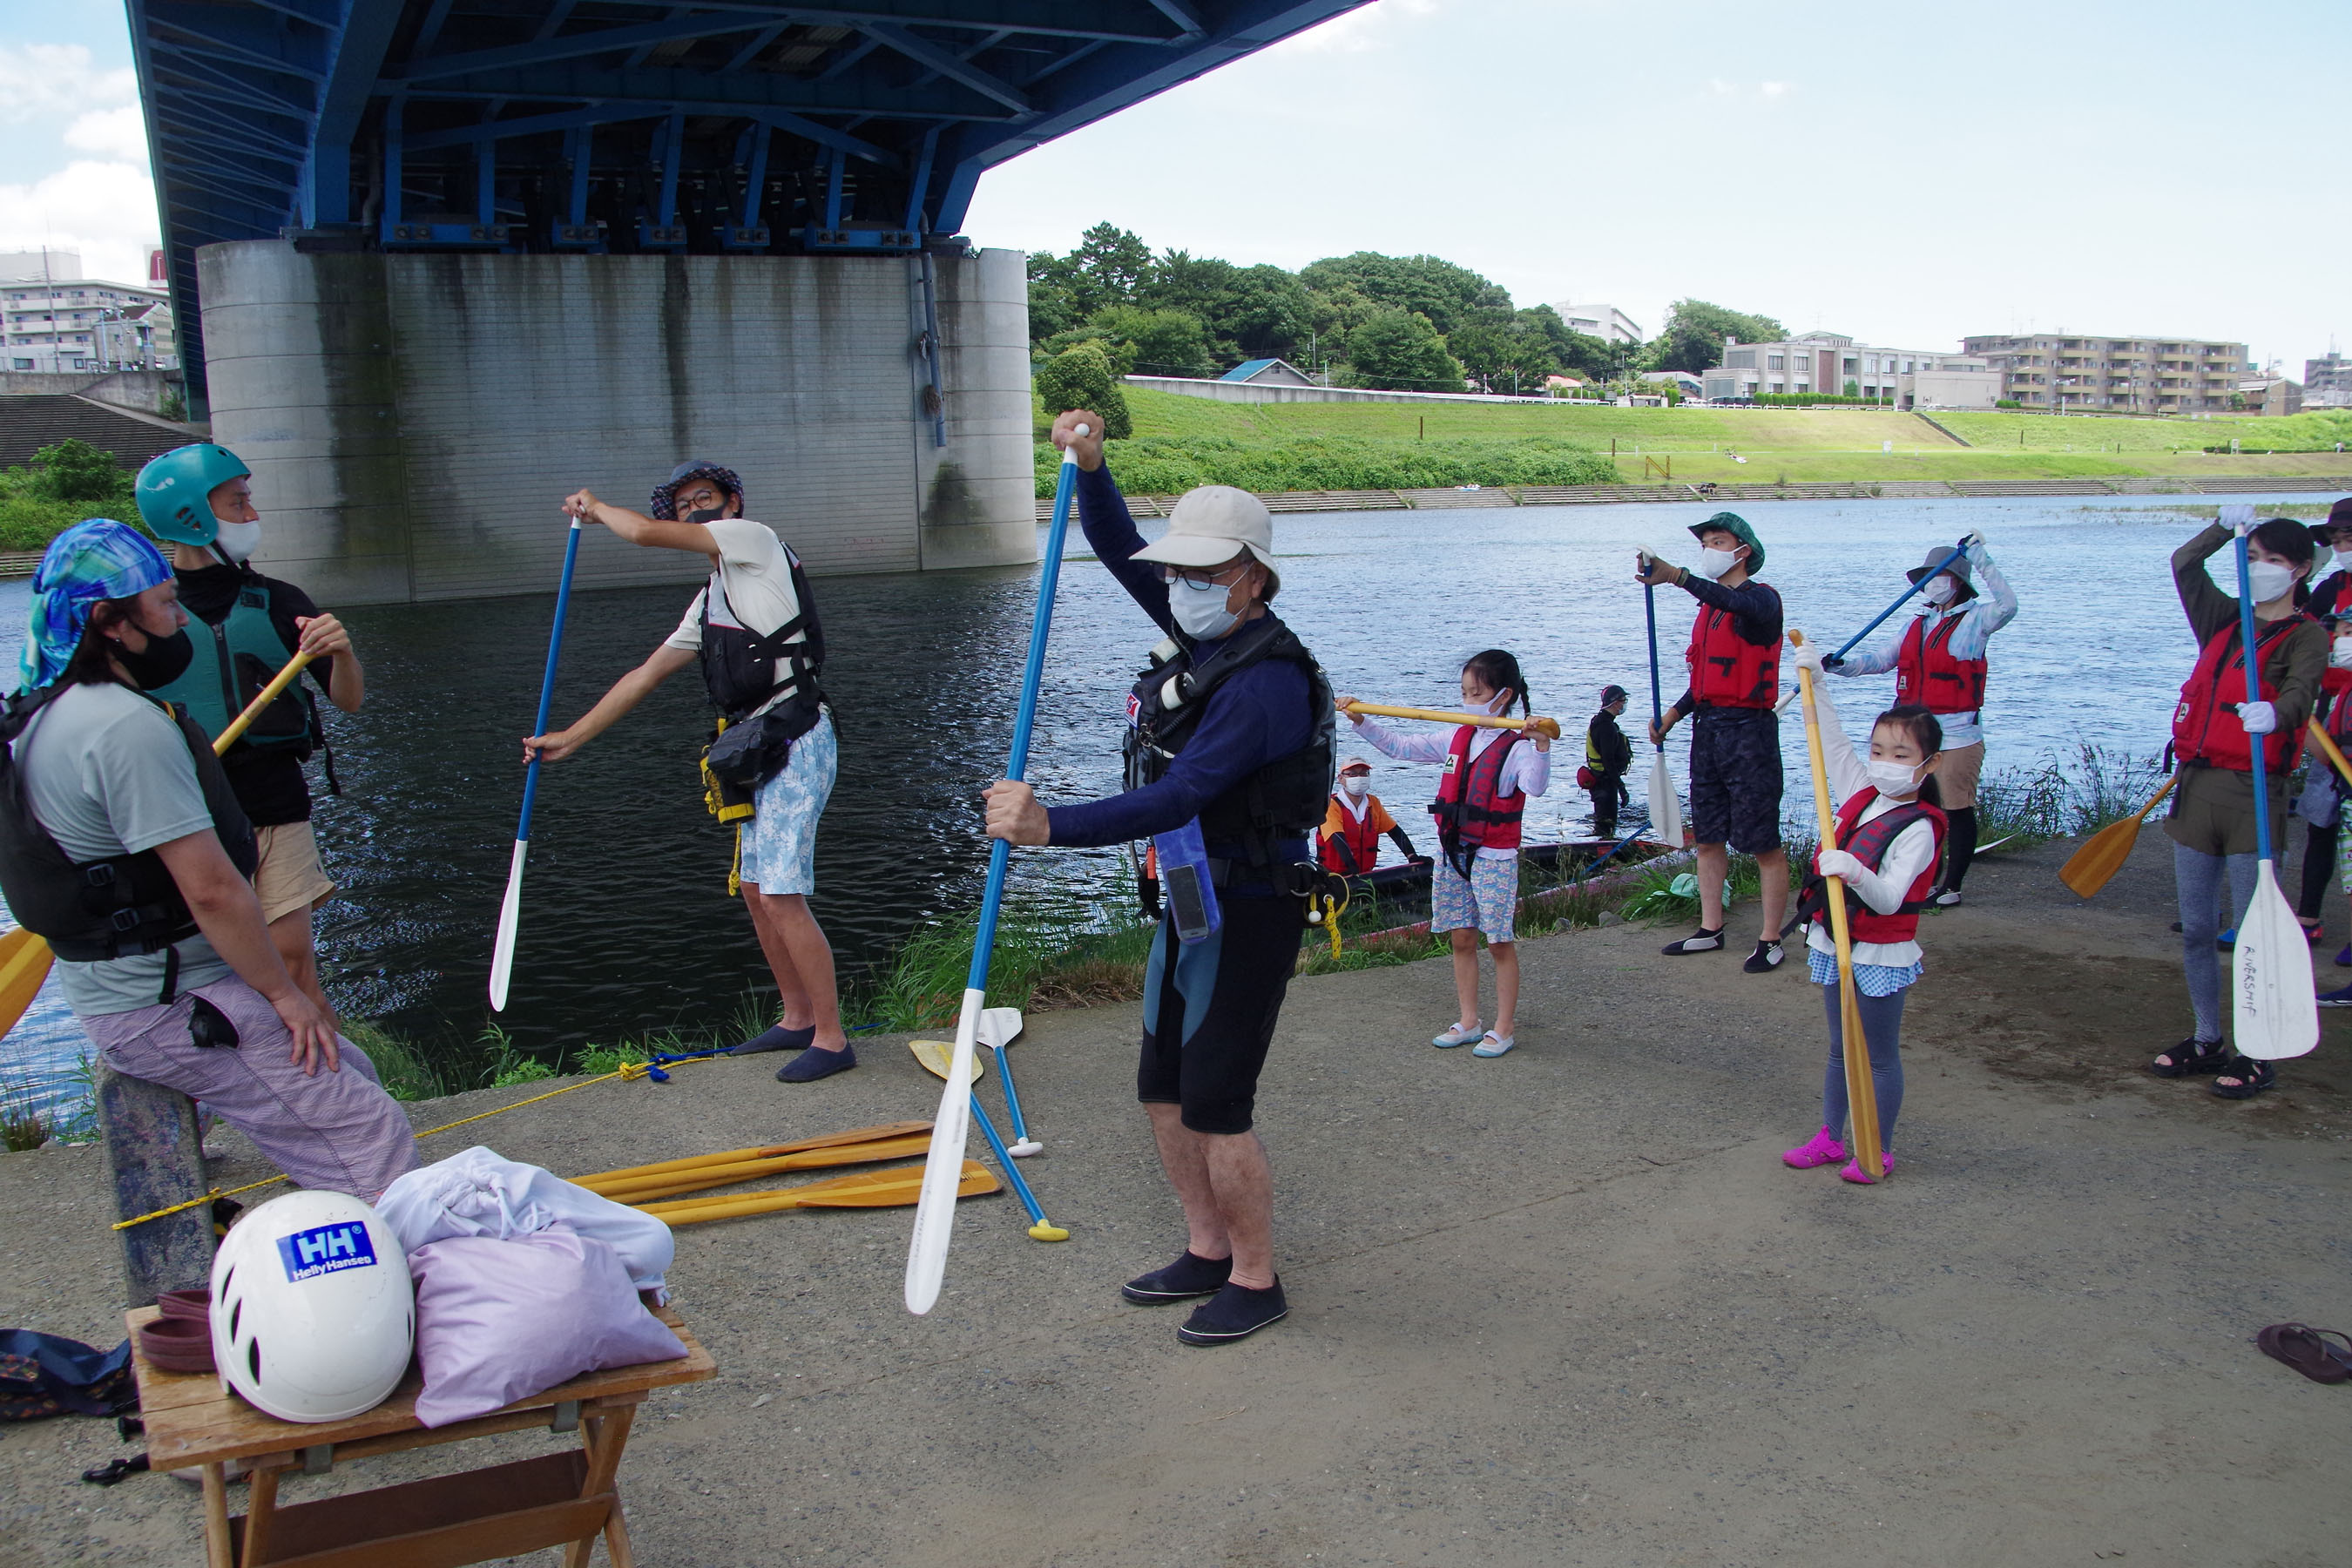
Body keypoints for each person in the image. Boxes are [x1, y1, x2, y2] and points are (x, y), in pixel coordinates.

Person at [984, 409, 1333, 1347]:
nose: (1180, 586)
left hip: (1254, 905)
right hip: (1190, 902)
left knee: (1219, 1104)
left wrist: (1051, 826)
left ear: (1253, 578)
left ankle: (1256, 1281)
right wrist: (1092, 465)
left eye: (1206, 572)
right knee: (1161, 1088)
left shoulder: (1266, 684)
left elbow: (1181, 794)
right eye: (1178, 570)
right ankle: (1206, 1250)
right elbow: (1112, 542)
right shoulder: (1205, 635)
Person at [0, 520, 416, 1199]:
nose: (179, 621)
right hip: (165, 1003)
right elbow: (213, 890)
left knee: (353, 1071)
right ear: (111, 622)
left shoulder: (44, 711)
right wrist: (283, 994)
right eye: (165, 606)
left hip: (143, 990)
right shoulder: (122, 727)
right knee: (364, 1132)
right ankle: (402, 1282)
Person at [524, 461, 851, 1083]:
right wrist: (571, 737)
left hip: (800, 735)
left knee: (782, 893)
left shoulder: (753, 539)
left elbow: (644, 535)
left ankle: (833, 1040)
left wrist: (595, 507)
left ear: (732, 504)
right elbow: (644, 676)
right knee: (756, 892)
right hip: (758, 744)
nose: (695, 511)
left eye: (706, 499)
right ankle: (797, 1018)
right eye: (683, 506)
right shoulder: (709, 602)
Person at [132, 444, 364, 1023]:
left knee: (291, 960)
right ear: (190, 515)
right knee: (216, 972)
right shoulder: (148, 614)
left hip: (275, 802)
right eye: (238, 503)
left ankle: (337, 1093)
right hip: (187, 813)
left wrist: (342, 653)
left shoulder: (281, 601)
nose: (252, 514)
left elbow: (349, 699)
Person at [2150, 515, 2326, 1098]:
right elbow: (2183, 565)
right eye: (2252, 555)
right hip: (2198, 791)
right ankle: (2207, 1039)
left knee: (2256, 932)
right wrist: (2220, 530)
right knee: (2199, 928)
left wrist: (2278, 713)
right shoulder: (2227, 620)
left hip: (2255, 795)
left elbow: (2304, 689)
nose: (2259, 568)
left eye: (2271, 559)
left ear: (2299, 569)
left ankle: (2258, 1052)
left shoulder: (2308, 634)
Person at [1781, 643, 1946, 1185]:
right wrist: (1817, 685)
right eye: (1879, 750)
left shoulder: (1919, 826)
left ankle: (1879, 1147)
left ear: (1928, 764)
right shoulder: (1861, 791)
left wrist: (1851, 870)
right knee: (1837, 1047)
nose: (1885, 762)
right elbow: (1830, 743)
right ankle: (1831, 1136)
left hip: (1880, 951)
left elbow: (1890, 898)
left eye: (1900, 755)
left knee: (1877, 1055)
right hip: (1836, 940)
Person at [1343, 650, 1551, 1058]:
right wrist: (1361, 721)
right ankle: (1469, 1020)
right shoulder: (1457, 735)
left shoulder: (1517, 746)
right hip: (1452, 851)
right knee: (1461, 937)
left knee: (1499, 942)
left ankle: (1504, 1027)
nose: (1468, 700)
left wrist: (1541, 746)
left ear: (1503, 695)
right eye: (1465, 692)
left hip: (1493, 856)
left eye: (1476, 693)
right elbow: (1400, 747)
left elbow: (1537, 786)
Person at [1824, 532, 2017, 907]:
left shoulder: (1978, 620)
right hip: (1916, 735)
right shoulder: (1919, 622)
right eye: (1926, 578)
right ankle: (1914, 878)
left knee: (1955, 808)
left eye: (1937, 576)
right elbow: (1882, 660)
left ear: (1957, 581)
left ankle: (1951, 884)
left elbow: (2008, 605)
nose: (1931, 584)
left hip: (1958, 734)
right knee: (1916, 808)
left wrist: (1979, 556)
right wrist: (1842, 667)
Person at [1638, 512, 1791, 972]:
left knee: (1762, 840)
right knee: (1707, 837)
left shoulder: (1763, 602)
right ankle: (1710, 928)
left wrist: (1677, 577)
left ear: (1742, 551)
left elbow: (1737, 604)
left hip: (1749, 731)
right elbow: (1708, 677)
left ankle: (1770, 938)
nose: (1710, 548)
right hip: (1707, 728)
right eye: (1706, 542)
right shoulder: (1709, 609)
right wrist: (1673, 714)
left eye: (1718, 541)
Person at [2294, 500, 2352, 946]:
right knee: (2321, 823)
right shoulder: (2329, 589)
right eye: (2335, 541)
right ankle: (2308, 918)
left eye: (2348, 540)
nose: (2341, 547)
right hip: (2330, 720)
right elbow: (2301, 637)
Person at [1316, 760, 1420, 876]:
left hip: (1365, 872)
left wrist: (1412, 855)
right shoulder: (1331, 805)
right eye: (1352, 774)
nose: (1359, 778)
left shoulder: (1373, 803)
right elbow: (1337, 838)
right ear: (1340, 779)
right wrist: (1351, 865)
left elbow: (1395, 831)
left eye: (1363, 773)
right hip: (1334, 874)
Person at [1584, 684, 1633, 840]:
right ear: (1615, 703)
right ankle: (1602, 855)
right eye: (1623, 700)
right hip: (1605, 783)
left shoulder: (1600, 721)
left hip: (1601, 780)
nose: (1624, 704)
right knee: (1606, 826)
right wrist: (1621, 787)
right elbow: (1608, 760)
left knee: (1603, 825)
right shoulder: (1606, 727)